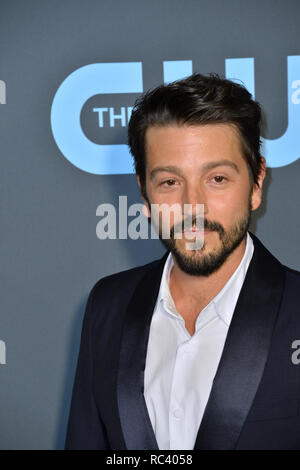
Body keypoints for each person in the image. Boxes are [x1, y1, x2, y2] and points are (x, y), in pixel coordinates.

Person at [64, 73, 300, 450]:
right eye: (170, 182)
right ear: (144, 193)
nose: (194, 208)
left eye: (218, 178)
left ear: (256, 184)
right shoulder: (107, 305)